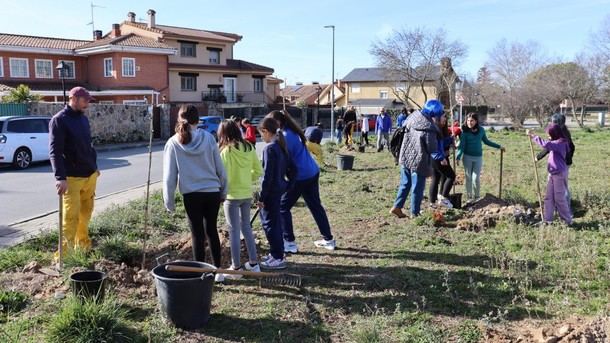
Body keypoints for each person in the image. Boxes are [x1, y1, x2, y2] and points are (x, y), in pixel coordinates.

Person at [163, 105, 227, 282]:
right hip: (212, 192)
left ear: (179, 119)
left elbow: (170, 176)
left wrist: (169, 201)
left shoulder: (173, 143)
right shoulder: (208, 138)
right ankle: (218, 273)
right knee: (212, 231)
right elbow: (219, 167)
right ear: (197, 120)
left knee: (197, 234)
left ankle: (200, 275)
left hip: (192, 195)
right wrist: (224, 189)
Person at [266, 110, 336, 252]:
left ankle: (289, 243)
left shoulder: (285, 137)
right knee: (315, 206)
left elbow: (284, 162)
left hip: (301, 176)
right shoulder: (293, 131)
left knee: (282, 207)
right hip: (312, 172)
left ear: (278, 123)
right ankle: (328, 240)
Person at [49, 86, 98, 259]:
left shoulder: (83, 119)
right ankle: (63, 257)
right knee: (70, 218)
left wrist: (94, 166)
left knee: (85, 215)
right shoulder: (59, 120)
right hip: (71, 178)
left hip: (89, 175)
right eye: (85, 100)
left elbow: (88, 145)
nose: (88, 104)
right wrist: (60, 178)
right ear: (74, 99)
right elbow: (55, 151)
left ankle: (83, 247)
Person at [218, 119, 262, 277]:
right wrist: (245, 179)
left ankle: (236, 268)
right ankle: (254, 263)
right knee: (247, 229)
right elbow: (258, 171)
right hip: (246, 194)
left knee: (234, 231)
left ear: (223, 134)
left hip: (231, 196)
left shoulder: (225, 152)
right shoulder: (249, 147)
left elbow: (221, 177)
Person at [389, 100, 443, 218]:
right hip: (419, 160)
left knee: (405, 183)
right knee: (417, 188)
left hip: (405, 156)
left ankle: (397, 207)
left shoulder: (412, 118)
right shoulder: (429, 128)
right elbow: (432, 149)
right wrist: (442, 151)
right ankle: (415, 212)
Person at [257, 117, 292, 269]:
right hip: (279, 189)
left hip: (271, 192)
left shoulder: (269, 148)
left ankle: (277, 257)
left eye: (261, 134)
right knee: (275, 223)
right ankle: (276, 253)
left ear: (266, 131)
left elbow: (267, 176)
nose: (261, 137)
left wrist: (261, 197)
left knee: (270, 225)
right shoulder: (280, 146)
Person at [527, 125, 572, 225]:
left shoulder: (560, 143)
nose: (548, 136)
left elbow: (545, 144)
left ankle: (567, 220)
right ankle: (548, 220)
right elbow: (547, 146)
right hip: (552, 173)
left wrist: (533, 136)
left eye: (549, 134)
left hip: (559, 174)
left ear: (555, 134)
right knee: (549, 197)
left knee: (559, 198)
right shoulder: (555, 142)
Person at [456, 113, 505, 203]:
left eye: (472, 120)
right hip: (467, 157)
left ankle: (477, 196)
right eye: (468, 120)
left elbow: (486, 141)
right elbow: (462, 146)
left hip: (478, 157)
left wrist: (498, 146)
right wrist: (458, 156)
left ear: (476, 121)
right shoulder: (464, 132)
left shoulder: (481, 130)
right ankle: (469, 197)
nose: (469, 122)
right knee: (468, 177)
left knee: (476, 178)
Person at [429, 114, 456, 208]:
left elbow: (442, 142)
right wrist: (441, 158)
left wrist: (450, 139)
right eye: (443, 116)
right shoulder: (435, 130)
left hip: (434, 158)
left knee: (436, 178)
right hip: (437, 157)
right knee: (451, 175)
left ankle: (432, 202)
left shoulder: (438, 129)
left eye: (445, 117)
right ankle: (443, 198)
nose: (445, 118)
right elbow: (435, 146)